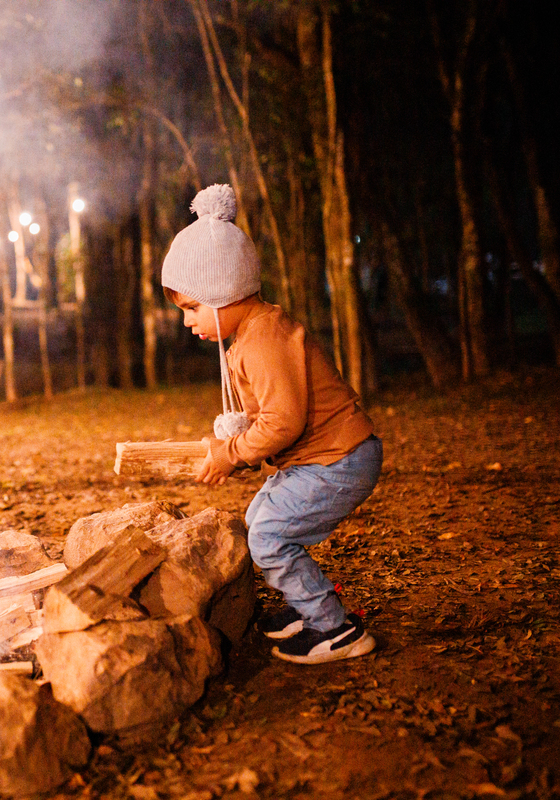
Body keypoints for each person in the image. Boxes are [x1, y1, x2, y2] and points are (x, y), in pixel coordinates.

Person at [160, 183, 382, 665]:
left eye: (192, 308)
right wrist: (231, 441)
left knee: (269, 536)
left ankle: (335, 628)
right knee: (259, 519)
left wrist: (232, 453)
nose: (188, 322)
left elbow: (283, 423)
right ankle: (305, 606)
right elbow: (271, 415)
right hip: (321, 458)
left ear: (222, 291)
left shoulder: (263, 339)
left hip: (338, 459)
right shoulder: (252, 333)